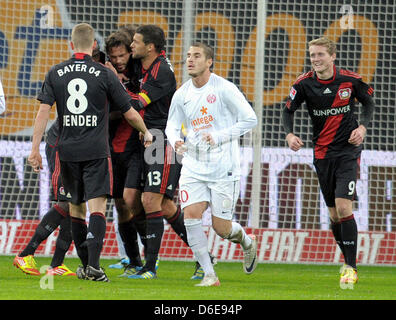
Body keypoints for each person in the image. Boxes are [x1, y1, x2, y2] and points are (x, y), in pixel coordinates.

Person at [28, 23, 152, 282]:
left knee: (75, 209)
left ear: (71, 45)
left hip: (67, 151)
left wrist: (35, 149)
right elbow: (129, 110)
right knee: (97, 207)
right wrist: (146, 131)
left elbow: (43, 112)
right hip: (96, 150)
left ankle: (85, 267)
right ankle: (94, 266)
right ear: (94, 45)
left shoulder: (56, 72)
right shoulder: (104, 73)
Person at [282, 37, 375, 286]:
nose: (315, 59)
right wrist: (290, 134)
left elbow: (368, 102)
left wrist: (363, 127)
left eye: (320, 54)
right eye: (312, 54)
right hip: (322, 155)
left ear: (332, 56)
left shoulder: (350, 80)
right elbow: (287, 109)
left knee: (344, 208)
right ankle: (346, 260)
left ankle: (351, 267)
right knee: (334, 215)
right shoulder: (303, 84)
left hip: (347, 152)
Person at [165, 42, 258, 287]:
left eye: (197, 56)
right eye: (188, 56)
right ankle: (209, 274)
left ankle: (247, 242)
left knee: (222, 228)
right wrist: (175, 140)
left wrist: (219, 137)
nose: (190, 60)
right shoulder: (182, 93)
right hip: (194, 166)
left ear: (209, 62)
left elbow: (250, 118)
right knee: (191, 216)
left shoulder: (225, 89)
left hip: (223, 168)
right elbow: (171, 125)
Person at [121, 24, 189, 280]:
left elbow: (137, 103)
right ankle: (202, 255)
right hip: (147, 137)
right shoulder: (148, 66)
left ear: (150, 47)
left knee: (152, 201)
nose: (132, 46)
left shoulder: (161, 72)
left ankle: (150, 267)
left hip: (163, 140)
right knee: (133, 198)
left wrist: (112, 86)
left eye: (136, 42)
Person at [13, 120, 75, 277]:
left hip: (78, 146)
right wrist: (35, 149)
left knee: (75, 204)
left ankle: (57, 264)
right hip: (62, 144)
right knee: (67, 203)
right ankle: (25, 254)